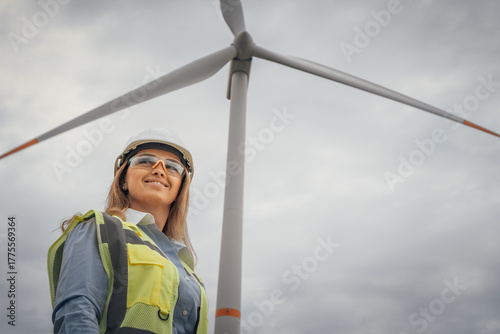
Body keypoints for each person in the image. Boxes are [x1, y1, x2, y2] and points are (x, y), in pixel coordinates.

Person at [47, 128, 208, 334]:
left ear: (180, 188)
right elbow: (76, 314)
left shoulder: (185, 266)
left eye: (172, 167)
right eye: (145, 161)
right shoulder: (99, 229)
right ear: (123, 179)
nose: (160, 170)